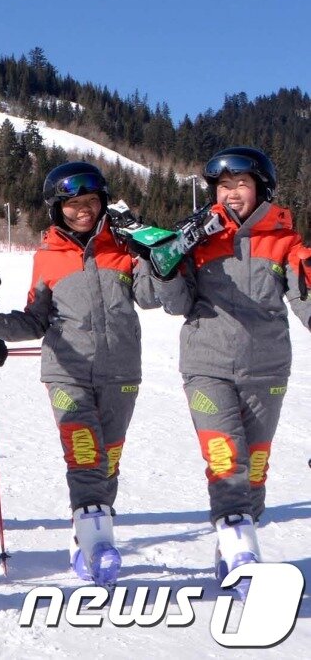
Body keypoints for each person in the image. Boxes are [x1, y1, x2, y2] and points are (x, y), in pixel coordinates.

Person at [0, 161, 157, 587]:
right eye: (72, 204)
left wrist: (148, 253)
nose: (82, 210)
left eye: (90, 201)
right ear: (57, 209)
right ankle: (99, 545)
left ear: (103, 203)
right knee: (85, 453)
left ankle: (85, 535)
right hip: (67, 372)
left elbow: (150, 298)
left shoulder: (123, 248)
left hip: (121, 371)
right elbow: (36, 320)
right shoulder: (47, 258)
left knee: (108, 459)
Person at [153, 147, 311, 596]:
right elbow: (177, 305)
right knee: (226, 459)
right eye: (224, 186)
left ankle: (234, 541)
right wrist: (168, 267)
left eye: (241, 183)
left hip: (267, 370)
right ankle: (244, 557)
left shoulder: (284, 240)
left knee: (255, 468)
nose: (233, 193)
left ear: (262, 188)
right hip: (208, 365)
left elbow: (305, 300)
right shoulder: (198, 237)